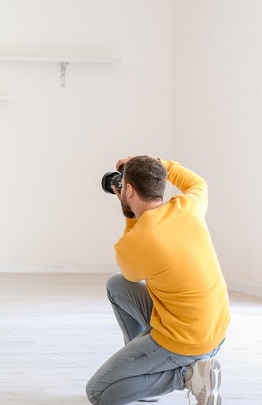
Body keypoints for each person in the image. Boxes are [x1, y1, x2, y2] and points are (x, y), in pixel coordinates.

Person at [86, 156, 230, 405]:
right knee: (116, 286)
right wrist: (157, 164)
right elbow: (197, 181)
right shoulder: (188, 205)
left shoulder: (138, 240)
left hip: (185, 342)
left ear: (128, 189)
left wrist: (128, 212)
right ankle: (150, 373)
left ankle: (187, 376)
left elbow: (132, 270)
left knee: (98, 392)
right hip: (215, 331)